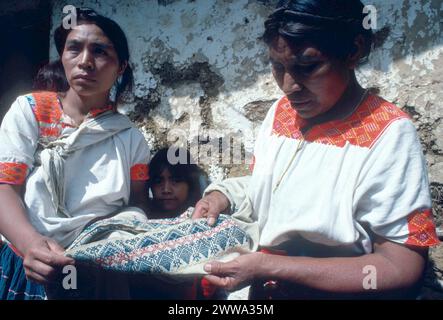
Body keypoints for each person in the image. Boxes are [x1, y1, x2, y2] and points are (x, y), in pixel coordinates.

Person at [193, 0, 440, 299]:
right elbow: (277, 188)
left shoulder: (388, 133)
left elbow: (401, 267)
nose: (288, 85)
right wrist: (223, 196)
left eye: (307, 66)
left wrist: (272, 266)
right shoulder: (281, 113)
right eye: (277, 66)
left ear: (353, 51)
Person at [0, 8, 150, 299]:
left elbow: (137, 204)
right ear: (63, 58)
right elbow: (5, 187)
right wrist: (31, 244)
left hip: (96, 274)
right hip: (26, 260)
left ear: (121, 67)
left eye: (100, 52)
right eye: (74, 49)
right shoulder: (30, 111)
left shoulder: (130, 138)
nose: (85, 62)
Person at [131, 146, 221, 299]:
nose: (166, 189)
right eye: (159, 181)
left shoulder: (206, 222)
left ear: (190, 183)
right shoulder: (141, 222)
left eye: (176, 181)